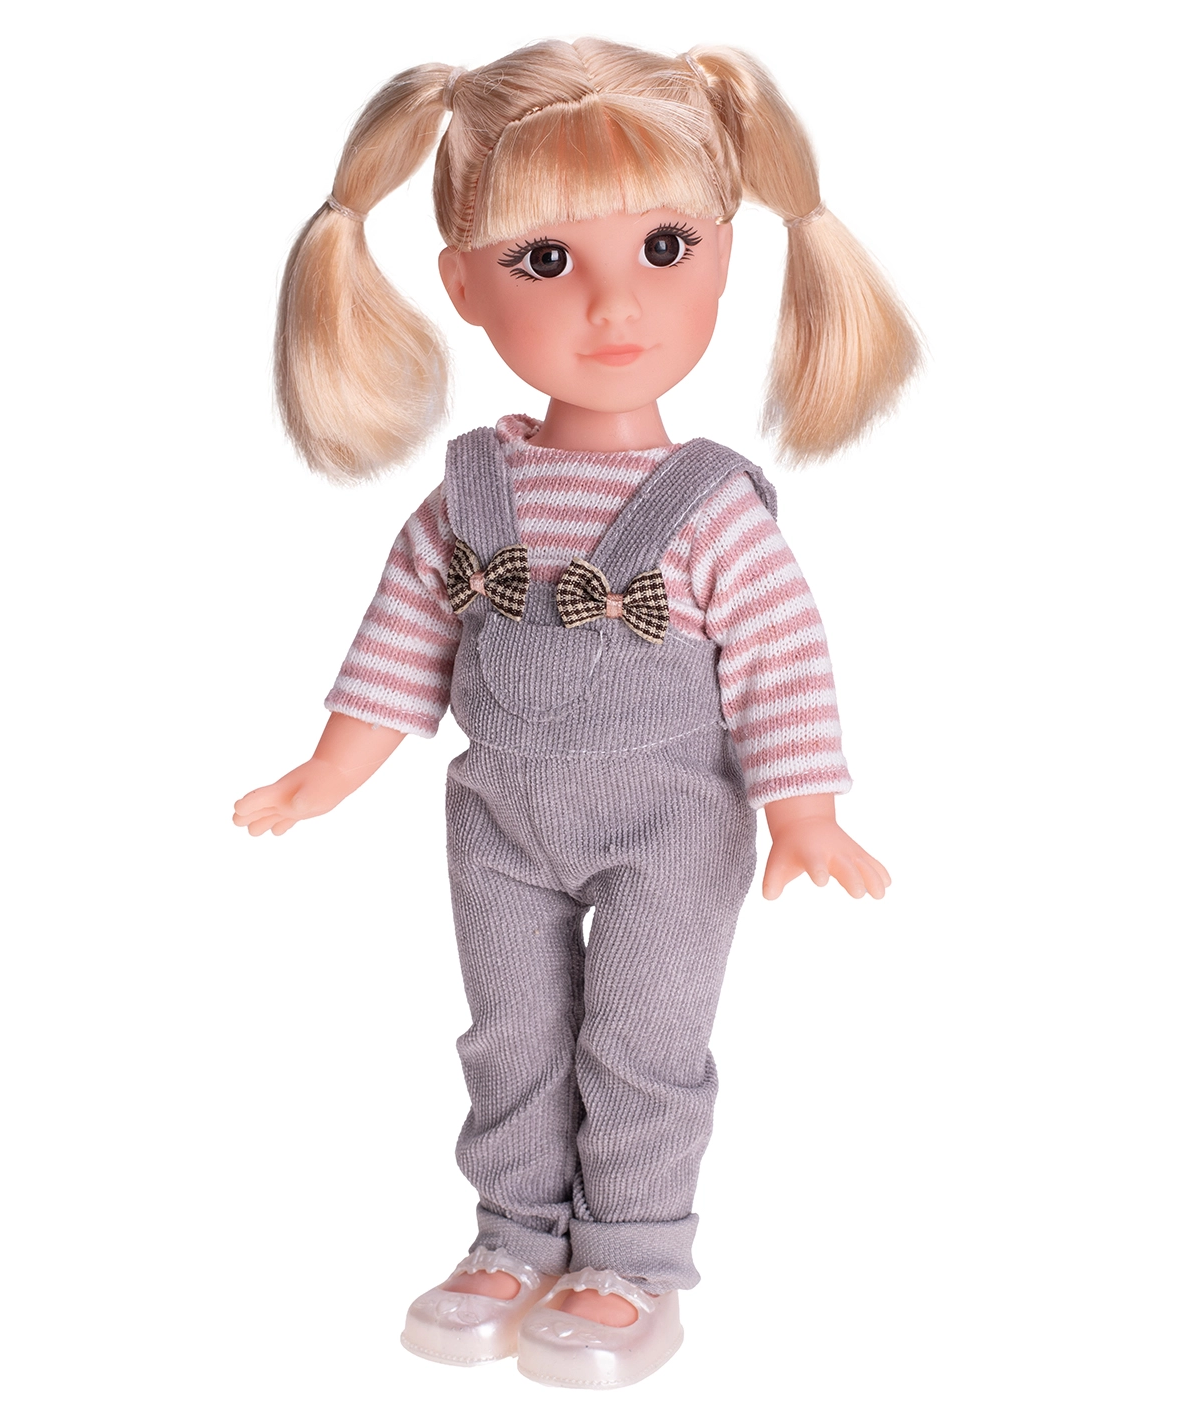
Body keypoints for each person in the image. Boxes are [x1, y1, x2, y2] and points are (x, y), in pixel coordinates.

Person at [233, 38, 919, 1389]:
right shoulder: (470, 496)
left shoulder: (709, 509)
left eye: (664, 248)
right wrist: (324, 770)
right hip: (498, 813)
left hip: (672, 822)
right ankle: (512, 1232)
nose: (615, 305)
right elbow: (402, 643)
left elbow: (781, 660)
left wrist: (804, 810)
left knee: (642, 1042)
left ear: (726, 257)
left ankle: (632, 1256)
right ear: (464, 287)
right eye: (545, 260)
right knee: (510, 1035)